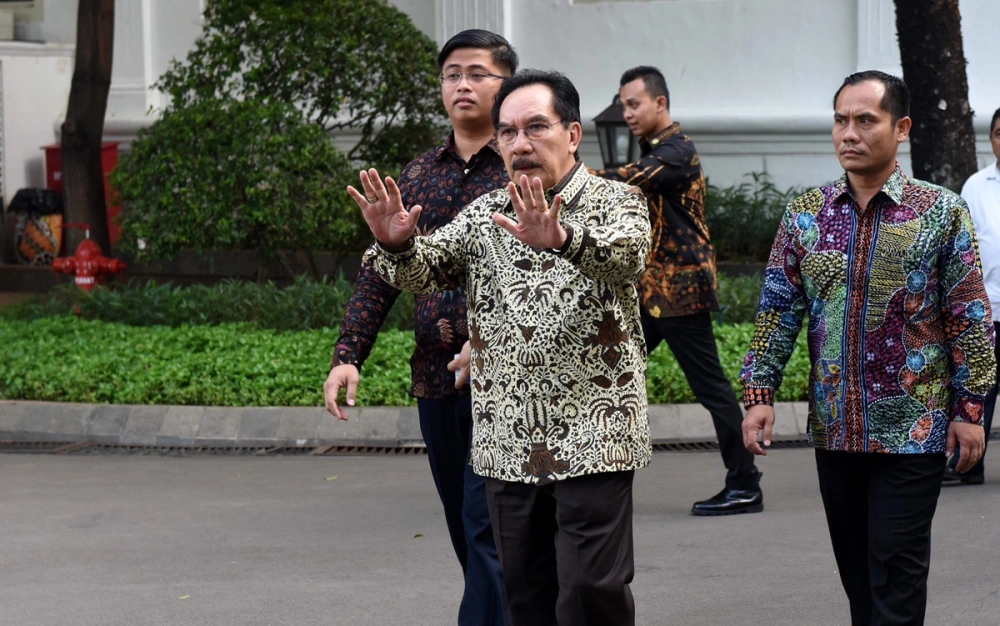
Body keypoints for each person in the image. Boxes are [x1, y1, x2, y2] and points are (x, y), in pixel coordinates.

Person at [348, 70, 652, 626]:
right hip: (508, 437)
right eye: (507, 132)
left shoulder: (618, 201)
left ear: (573, 134)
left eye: (536, 127)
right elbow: (425, 269)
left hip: (596, 430)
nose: (520, 143)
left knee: (590, 591)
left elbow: (627, 257)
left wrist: (562, 239)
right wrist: (396, 244)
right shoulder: (486, 215)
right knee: (524, 596)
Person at [741, 70, 995, 626]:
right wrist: (759, 394)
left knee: (897, 569)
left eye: (865, 120)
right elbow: (778, 310)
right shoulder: (806, 215)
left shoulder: (940, 212)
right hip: (836, 427)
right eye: (840, 120)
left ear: (901, 128)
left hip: (915, 428)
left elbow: (970, 317)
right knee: (858, 575)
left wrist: (971, 410)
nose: (848, 133)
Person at [323, 29, 517, 626]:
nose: (463, 85)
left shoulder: (523, 167)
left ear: (507, 83)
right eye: (452, 74)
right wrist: (348, 354)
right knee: (466, 529)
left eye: (477, 73)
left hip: (507, 379)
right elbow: (379, 272)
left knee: (487, 527)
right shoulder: (418, 174)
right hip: (435, 378)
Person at [593, 66, 763, 516]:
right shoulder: (657, 150)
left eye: (634, 104)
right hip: (652, 292)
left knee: (712, 390)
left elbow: (624, 178)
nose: (627, 113)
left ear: (660, 103)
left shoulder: (676, 153)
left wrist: (566, 173)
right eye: (623, 105)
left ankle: (745, 484)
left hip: (681, 292)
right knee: (606, 371)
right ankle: (586, 478)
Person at [945, 106, 1000, 485]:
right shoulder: (976, 186)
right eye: (998, 133)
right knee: (980, 387)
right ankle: (967, 464)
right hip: (987, 307)